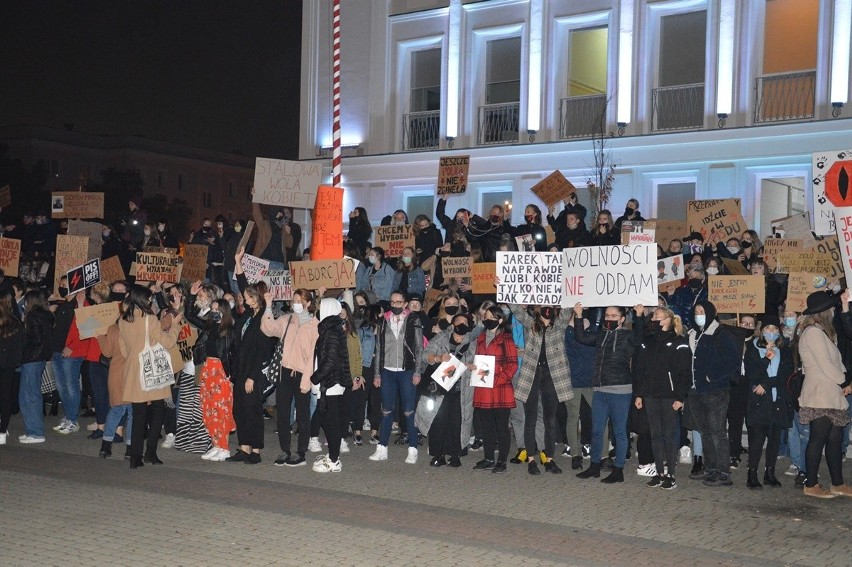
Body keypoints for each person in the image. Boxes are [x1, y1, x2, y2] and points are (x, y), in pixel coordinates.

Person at [574, 303, 645, 483]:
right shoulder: (601, 335)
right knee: (597, 431)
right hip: (599, 389)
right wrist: (578, 315)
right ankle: (595, 466)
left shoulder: (628, 336)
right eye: (607, 315)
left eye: (614, 316)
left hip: (620, 390)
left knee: (620, 432)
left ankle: (618, 469)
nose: (609, 318)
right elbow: (581, 337)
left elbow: (640, 338)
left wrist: (639, 316)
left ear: (622, 318)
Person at [796, 291, 852, 498]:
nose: (832, 310)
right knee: (818, 439)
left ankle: (837, 483)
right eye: (830, 307)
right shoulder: (812, 333)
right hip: (820, 393)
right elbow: (826, 365)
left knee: (835, 441)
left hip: (831, 393)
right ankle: (811, 484)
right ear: (823, 312)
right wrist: (845, 381)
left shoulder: (823, 332)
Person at [118, 285, 181, 468]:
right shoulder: (150, 320)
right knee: (157, 412)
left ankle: (135, 456)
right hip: (153, 370)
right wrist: (175, 326)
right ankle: (151, 453)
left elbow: (124, 350)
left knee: (138, 416)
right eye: (149, 298)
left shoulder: (123, 321)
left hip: (134, 372)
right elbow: (168, 342)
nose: (150, 301)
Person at [509, 304, 573, 475]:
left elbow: (567, 309)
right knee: (530, 418)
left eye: (550, 306)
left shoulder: (559, 326)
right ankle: (531, 459)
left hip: (552, 375)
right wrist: (504, 289)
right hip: (532, 374)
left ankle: (549, 459)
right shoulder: (531, 324)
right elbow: (517, 310)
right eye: (544, 305)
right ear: (538, 308)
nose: (547, 309)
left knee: (549, 420)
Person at [228, 248, 277, 464]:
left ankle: (255, 451)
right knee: (239, 410)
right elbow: (242, 283)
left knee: (253, 411)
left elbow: (262, 351)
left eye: (248, 297)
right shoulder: (249, 314)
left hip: (252, 374)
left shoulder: (263, 320)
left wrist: (252, 377)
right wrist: (238, 261)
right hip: (240, 371)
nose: (244, 298)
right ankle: (243, 447)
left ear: (256, 299)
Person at [634, 307, 691, 490]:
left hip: (669, 397)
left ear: (668, 319)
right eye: (653, 316)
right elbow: (640, 371)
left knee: (669, 435)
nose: (654, 318)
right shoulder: (647, 342)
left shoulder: (679, 342)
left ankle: (671, 475)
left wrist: (680, 397)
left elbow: (684, 373)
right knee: (655, 435)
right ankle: (659, 473)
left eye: (658, 316)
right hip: (651, 396)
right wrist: (639, 394)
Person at [261, 288, 319, 467]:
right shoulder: (288, 320)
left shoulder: (315, 326)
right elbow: (268, 329)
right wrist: (269, 306)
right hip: (284, 373)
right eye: (293, 301)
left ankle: (301, 452)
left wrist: (306, 381)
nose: (296, 304)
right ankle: (285, 450)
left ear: (308, 303)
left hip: (302, 374)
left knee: (302, 415)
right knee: (283, 414)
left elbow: (312, 357)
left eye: (299, 301)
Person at [687, 301, 741, 487]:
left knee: (717, 432)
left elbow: (733, 359)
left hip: (715, 390)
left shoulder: (720, 333)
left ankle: (723, 471)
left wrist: (712, 376)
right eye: (696, 311)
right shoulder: (693, 334)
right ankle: (711, 468)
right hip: (695, 391)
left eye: (702, 311)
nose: (699, 314)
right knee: (705, 432)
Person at [369, 291, 425, 464]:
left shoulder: (414, 320)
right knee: (386, 411)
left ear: (405, 303)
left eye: (399, 302)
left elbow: (418, 348)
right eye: (392, 302)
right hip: (388, 372)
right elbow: (378, 349)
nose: (395, 305)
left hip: (407, 371)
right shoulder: (383, 320)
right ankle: (382, 448)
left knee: (408, 411)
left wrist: (417, 371)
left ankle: (413, 449)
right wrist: (377, 373)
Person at [184, 285, 238, 462]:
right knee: (208, 409)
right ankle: (216, 444)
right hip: (208, 370)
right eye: (212, 309)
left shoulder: (229, 331)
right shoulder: (208, 327)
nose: (214, 312)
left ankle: (224, 447)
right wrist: (191, 297)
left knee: (221, 410)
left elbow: (235, 356)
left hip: (222, 373)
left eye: (217, 310)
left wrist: (232, 378)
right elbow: (190, 316)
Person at [743, 314, 793, 489]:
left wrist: (765, 383)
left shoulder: (785, 351)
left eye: (774, 329)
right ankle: (752, 474)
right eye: (767, 329)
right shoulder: (752, 349)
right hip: (759, 402)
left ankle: (769, 473)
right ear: (761, 331)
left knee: (774, 440)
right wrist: (766, 358)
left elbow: (784, 376)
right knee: (757, 440)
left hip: (777, 401)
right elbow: (752, 374)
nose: (771, 332)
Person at [422, 312, 476, 467]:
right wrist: (438, 358)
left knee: (457, 422)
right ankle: (438, 455)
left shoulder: (473, 343)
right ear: (452, 324)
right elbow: (425, 354)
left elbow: (479, 365)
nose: (461, 324)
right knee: (438, 421)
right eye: (458, 321)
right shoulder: (441, 338)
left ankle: (455, 455)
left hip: (461, 389)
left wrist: (473, 367)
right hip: (441, 388)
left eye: (465, 321)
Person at [472, 306, 518, 473]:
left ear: (500, 320)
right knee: (487, 427)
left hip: (500, 389)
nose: (487, 319)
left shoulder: (506, 339)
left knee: (501, 427)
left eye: (491, 316)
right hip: (483, 388)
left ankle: (502, 461)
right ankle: (488, 458)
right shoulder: (481, 338)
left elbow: (512, 364)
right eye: (486, 316)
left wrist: (498, 378)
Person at [310, 298, 352, 473]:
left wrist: (315, 378)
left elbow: (330, 360)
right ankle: (333, 456)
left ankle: (334, 460)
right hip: (329, 383)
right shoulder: (330, 329)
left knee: (331, 423)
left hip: (331, 383)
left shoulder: (331, 332)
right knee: (329, 422)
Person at [17, 289, 54, 443]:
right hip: (38, 359)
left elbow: (35, 339)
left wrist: (22, 343)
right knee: (30, 395)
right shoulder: (46, 315)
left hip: (32, 359)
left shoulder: (33, 317)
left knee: (29, 396)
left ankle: (36, 433)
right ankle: (32, 430)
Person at [0, 291, 24, 445]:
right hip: (9, 365)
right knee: (5, 396)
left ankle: (2, 430)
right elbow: (20, 346)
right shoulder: (16, 322)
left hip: (6, 365)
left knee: (4, 397)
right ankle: (2, 429)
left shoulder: (13, 323)